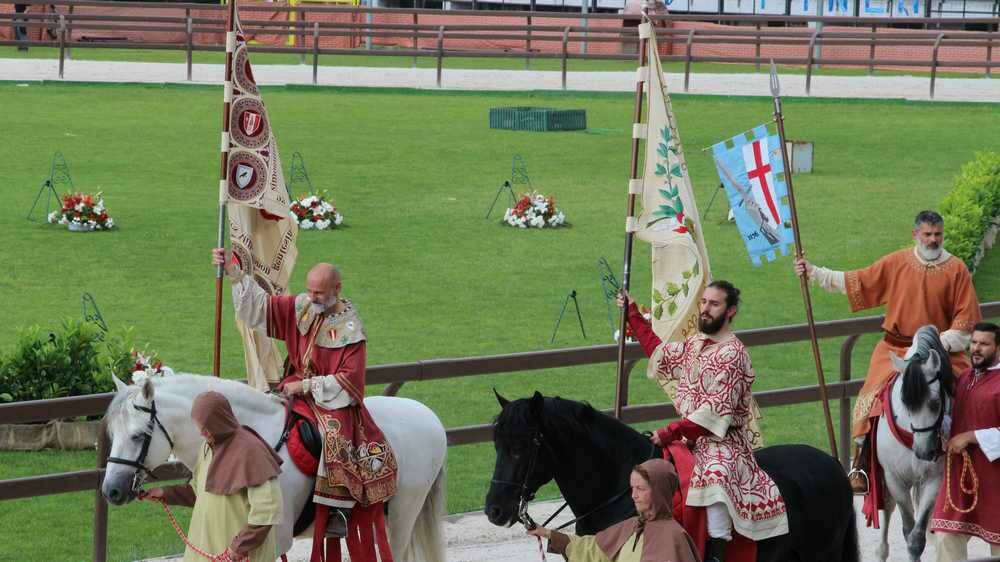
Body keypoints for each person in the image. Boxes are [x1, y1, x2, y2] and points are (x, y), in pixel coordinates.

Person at [211, 248, 396, 538]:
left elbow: (350, 381)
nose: (312, 297)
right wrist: (235, 275)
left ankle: (339, 509)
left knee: (333, 436)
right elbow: (262, 308)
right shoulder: (305, 306)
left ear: (337, 288)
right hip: (293, 387)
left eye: (320, 293)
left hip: (332, 400)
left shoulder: (351, 331)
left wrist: (307, 386)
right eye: (310, 290)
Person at [793, 210, 981, 493]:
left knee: (970, 393)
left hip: (939, 350)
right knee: (868, 399)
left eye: (937, 234)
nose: (933, 240)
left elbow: (966, 322)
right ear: (915, 235)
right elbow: (858, 281)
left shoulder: (957, 269)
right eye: (927, 234)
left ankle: (974, 458)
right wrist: (813, 272)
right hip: (894, 347)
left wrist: (935, 342)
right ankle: (860, 463)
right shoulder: (897, 262)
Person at [619, 281, 788, 562]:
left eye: (714, 304)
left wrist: (669, 431)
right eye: (704, 302)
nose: (705, 309)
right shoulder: (695, 343)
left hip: (723, 442)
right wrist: (632, 314)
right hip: (686, 438)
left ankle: (716, 554)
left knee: (715, 478)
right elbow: (660, 354)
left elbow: (713, 412)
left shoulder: (733, 353)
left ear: (730, 311)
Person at [144, 391, 283, 562]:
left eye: (207, 427)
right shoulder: (207, 447)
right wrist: (166, 493)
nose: (203, 433)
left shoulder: (251, 451)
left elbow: (267, 511)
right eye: (200, 427)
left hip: (237, 556)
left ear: (220, 421)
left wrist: (238, 548)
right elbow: (202, 491)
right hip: (205, 550)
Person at [527, 458, 700, 562]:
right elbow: (593, 550)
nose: (634, 495)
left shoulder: (674, 539)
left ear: (658, 491)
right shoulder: (631, 526)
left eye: (641, 489)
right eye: (632, 488)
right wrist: (548, 534)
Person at [929, 322, 1000, 561]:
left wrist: (971, 437)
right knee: (945, 534)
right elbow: (960, 416)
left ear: (998, 348)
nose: (976, 349)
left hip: (996, 479)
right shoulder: (965, 377)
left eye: (984, 344)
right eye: (974, 342)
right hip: (960, 475)